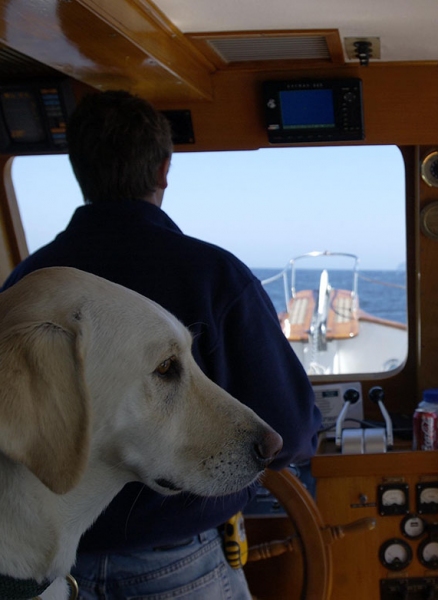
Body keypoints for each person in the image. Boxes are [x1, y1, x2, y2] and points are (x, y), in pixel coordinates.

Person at [1, 90, 322, 599]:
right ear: (163, 171)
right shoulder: (214, 275)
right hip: (173, 567)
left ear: (80, 170)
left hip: (36, 572)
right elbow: (290, 431)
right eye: (169, 368)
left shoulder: (24, 286)